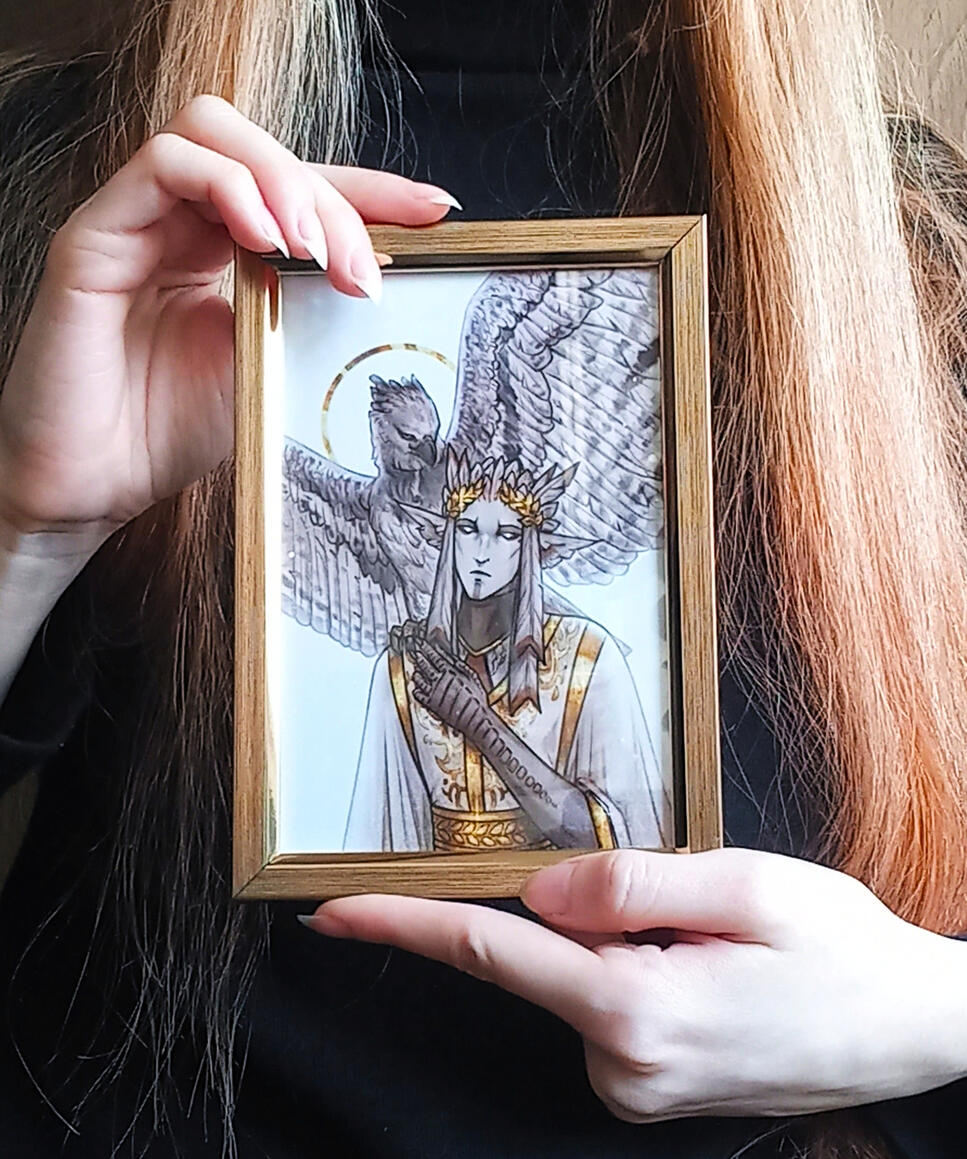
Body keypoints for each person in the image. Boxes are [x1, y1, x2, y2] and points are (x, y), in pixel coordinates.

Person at [1, 1, 967, 1156]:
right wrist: (29, 528)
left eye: (489, 525)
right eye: (393, 445)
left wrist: (938, 1014)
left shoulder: (896, 230)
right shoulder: (91, 184)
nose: (454, 523)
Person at [344, 451, 670, 853]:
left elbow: (614, 843)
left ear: (531, 545)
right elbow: (387, 838)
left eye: (507, 534)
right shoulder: (404, 667)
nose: (482, 551)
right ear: (448, 536)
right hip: (436, 893)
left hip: (560, 890)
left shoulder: (589, 657)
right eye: (468, 529)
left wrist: (480, 724)